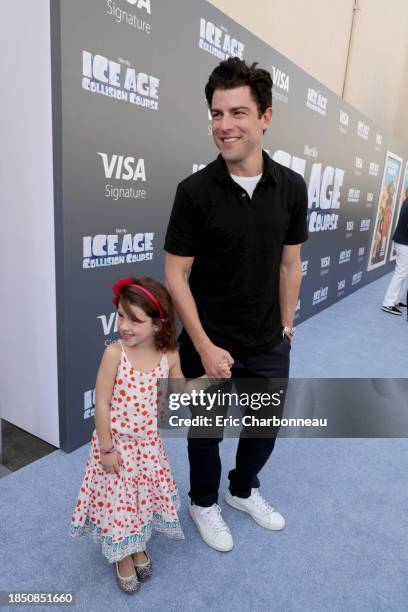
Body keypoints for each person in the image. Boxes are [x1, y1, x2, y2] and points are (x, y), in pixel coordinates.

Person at [164, 58, 308, 552]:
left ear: (265, 116)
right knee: (204, 436)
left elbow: (291, 265)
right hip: (209, 343)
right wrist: (202, 346)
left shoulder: (291, 187)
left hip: (269, 340)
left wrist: (286, 327)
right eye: (216, 113)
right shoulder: (194, 192)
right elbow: (175, 274)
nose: (224, 125)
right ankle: (203, 502)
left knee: (262, 431)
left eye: (238, 112)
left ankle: (243, 491)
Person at [69, 277, 230, 593]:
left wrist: (212, 379)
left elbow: (179, 393)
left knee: (141, 501)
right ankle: (122, 555)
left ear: (158, 325)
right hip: (116, 446)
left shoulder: (170, 355)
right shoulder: (115, 354)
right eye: (121, 315)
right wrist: (106, 449)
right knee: (119, 503)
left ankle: (137, 544)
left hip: (148, 448)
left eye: (135, 320)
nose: (124, 325)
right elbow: (101, 403)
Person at [382, 189, 408, 315]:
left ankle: (396, 300)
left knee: (404, 273)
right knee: (401, 273)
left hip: (402, 242)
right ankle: (388, 303)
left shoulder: (406, 201)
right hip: (404, 244)